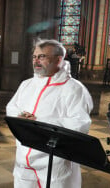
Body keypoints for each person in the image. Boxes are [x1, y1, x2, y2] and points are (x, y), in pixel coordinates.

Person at [6, 39, 93, 188]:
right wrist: (21, 117)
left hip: (54, 162)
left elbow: (80, 123)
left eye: (42, 57)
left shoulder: (73, 88)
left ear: (59, 59)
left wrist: (39, 122)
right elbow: (11, 108)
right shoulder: (27, 84)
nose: (36, 61)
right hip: (24, 159)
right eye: (34, 57)